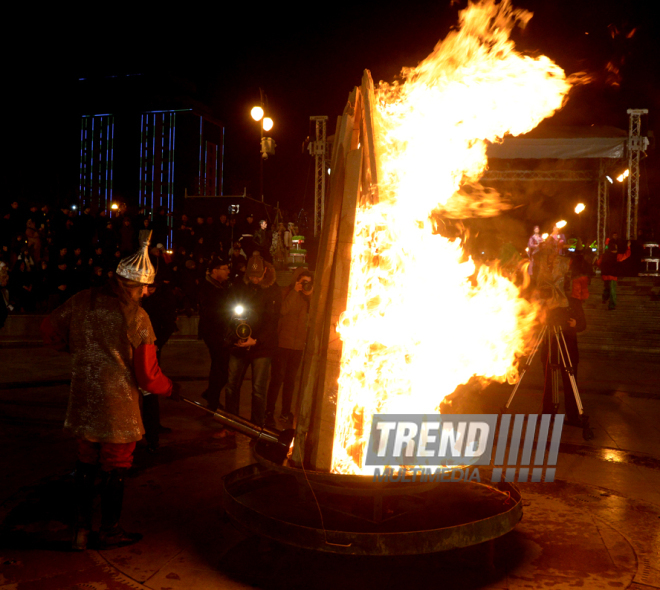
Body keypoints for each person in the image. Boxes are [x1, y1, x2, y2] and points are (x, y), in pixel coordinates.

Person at [40, 230, 178, 551]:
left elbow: (49, 327)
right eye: (146, 288)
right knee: (116, 464)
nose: (147, 293)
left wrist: (74, 349)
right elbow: (148, 376)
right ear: (138, 286)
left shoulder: (81, 300)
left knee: (85, 462)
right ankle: (110, 529)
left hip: (84, 399)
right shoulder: (137, 317)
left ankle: (81, 530)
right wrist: (169, 387)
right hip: (118, 406)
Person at [220, 254, 282, 448]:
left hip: (261, 347)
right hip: (239, 343)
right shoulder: (241, 286)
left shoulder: (273, 290)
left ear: (264, 271)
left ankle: (257, 428)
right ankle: (231, 424)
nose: (255, 279)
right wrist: (234, 334)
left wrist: (257, 340)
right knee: (231, 385)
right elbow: (229, 310)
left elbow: (273, 321)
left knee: (258, 390)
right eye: (251, 275)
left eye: (258, 275)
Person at [265, 269, 313, 428]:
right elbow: (283, 310)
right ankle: (269, 412)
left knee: (291, 381)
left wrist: (309, 295)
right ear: (297, 281)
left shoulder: (310, 297)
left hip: (298, 346)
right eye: (303, 281)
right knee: (277, 379)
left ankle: (285, 412)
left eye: (308, 282)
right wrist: (295, 291)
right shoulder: (287, 292)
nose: (305, 284)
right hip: (282, 343)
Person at [141, 279, 179, 451]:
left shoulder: (161, 300)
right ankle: (147, 429)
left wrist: (157, 343)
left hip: (150, 348)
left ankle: (152, 432)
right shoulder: (136, 300)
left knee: (150, 388)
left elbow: (169, 324)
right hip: (136, 347)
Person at [198, 258, 233, 414]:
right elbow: (211, 312)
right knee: (222, 368)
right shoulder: (208, 288)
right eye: (224, 268)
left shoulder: (222, 286)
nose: (228, 271)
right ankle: (212, 398)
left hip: (221, 332)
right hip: (214, 333)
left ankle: (211, 396)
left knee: (220, 367)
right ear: (214, 271)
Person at [597, 240, 631, 310]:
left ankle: (604, 298)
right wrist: (628, 247)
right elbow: (626, 255)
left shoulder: (604, 255)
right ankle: (611, 305)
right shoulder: (617, 256)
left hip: (605, 275)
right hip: (612, 275)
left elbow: (598, 263)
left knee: (607, 287)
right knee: (612, 290)